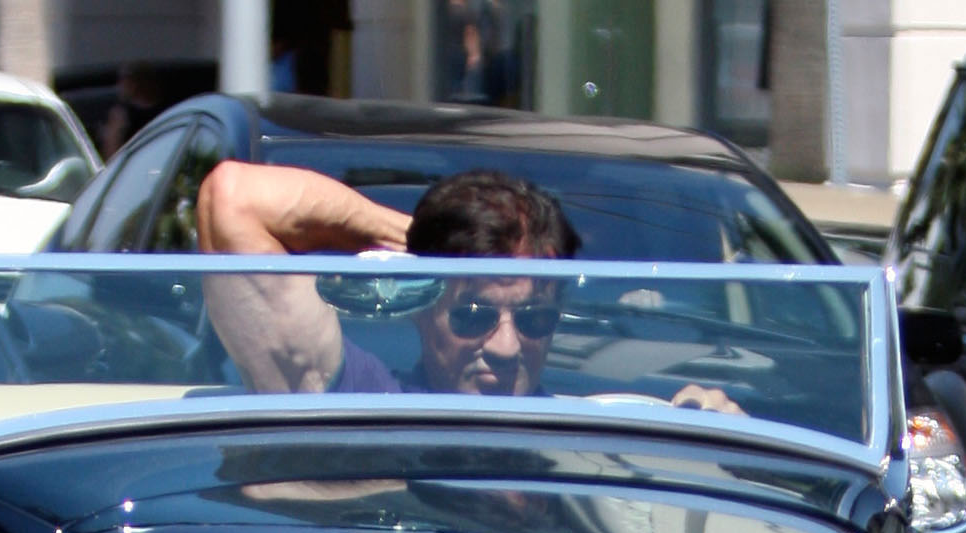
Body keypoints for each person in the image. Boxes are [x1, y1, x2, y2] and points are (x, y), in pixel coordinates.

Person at [196, 162, 738, 409]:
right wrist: (425, 249)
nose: (506, 347)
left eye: (532, 319)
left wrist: (713, 427)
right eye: (473, 315)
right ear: (423, 307)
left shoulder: (590, 426)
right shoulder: (362, 399)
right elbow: (234, 198)